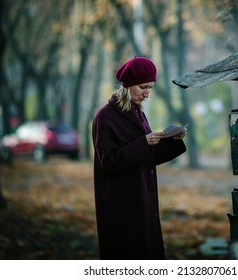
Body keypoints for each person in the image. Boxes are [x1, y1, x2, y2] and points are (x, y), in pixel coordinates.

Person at [92, 56, 187, 260]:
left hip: (142, 198)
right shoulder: (105, 117)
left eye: (151, 87)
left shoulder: (138, 113)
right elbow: (108, 163)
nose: (147, 94)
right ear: (127, 86)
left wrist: (172, 140)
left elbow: (146, 157)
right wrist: (143, 143)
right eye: (143, 87)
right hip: (121, 204)